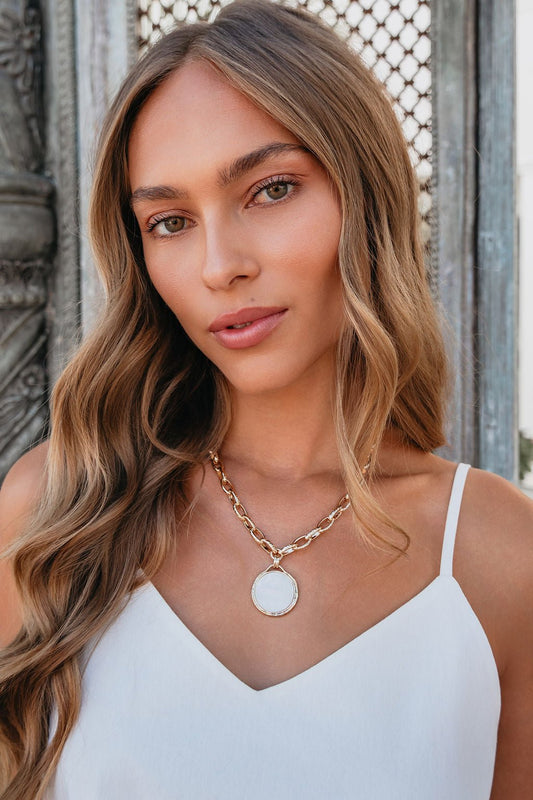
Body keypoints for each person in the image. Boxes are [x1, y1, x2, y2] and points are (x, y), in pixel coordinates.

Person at [1, 1, 532, 797]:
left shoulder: (498, 553)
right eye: (170, 221)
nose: (220, 265)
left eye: (271, 188)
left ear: (365, 196)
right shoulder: (57, 511)